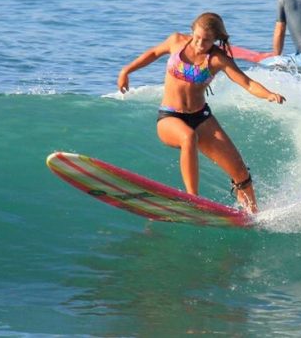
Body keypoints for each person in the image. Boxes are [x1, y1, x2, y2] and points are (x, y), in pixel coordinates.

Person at [117, 12, 285, 214]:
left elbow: (247, 83)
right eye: (197, 38)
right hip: (170, 116)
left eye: (206, 41)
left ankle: (251, 215)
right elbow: (153, 53)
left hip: (200, 117)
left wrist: (268, 94)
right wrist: (126, 71)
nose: (199, 44)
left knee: (240, 171)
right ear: (192, 31)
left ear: (215, 39)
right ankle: (192, 199)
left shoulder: (217, 59)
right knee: (188, 137)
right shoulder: (176, 41)